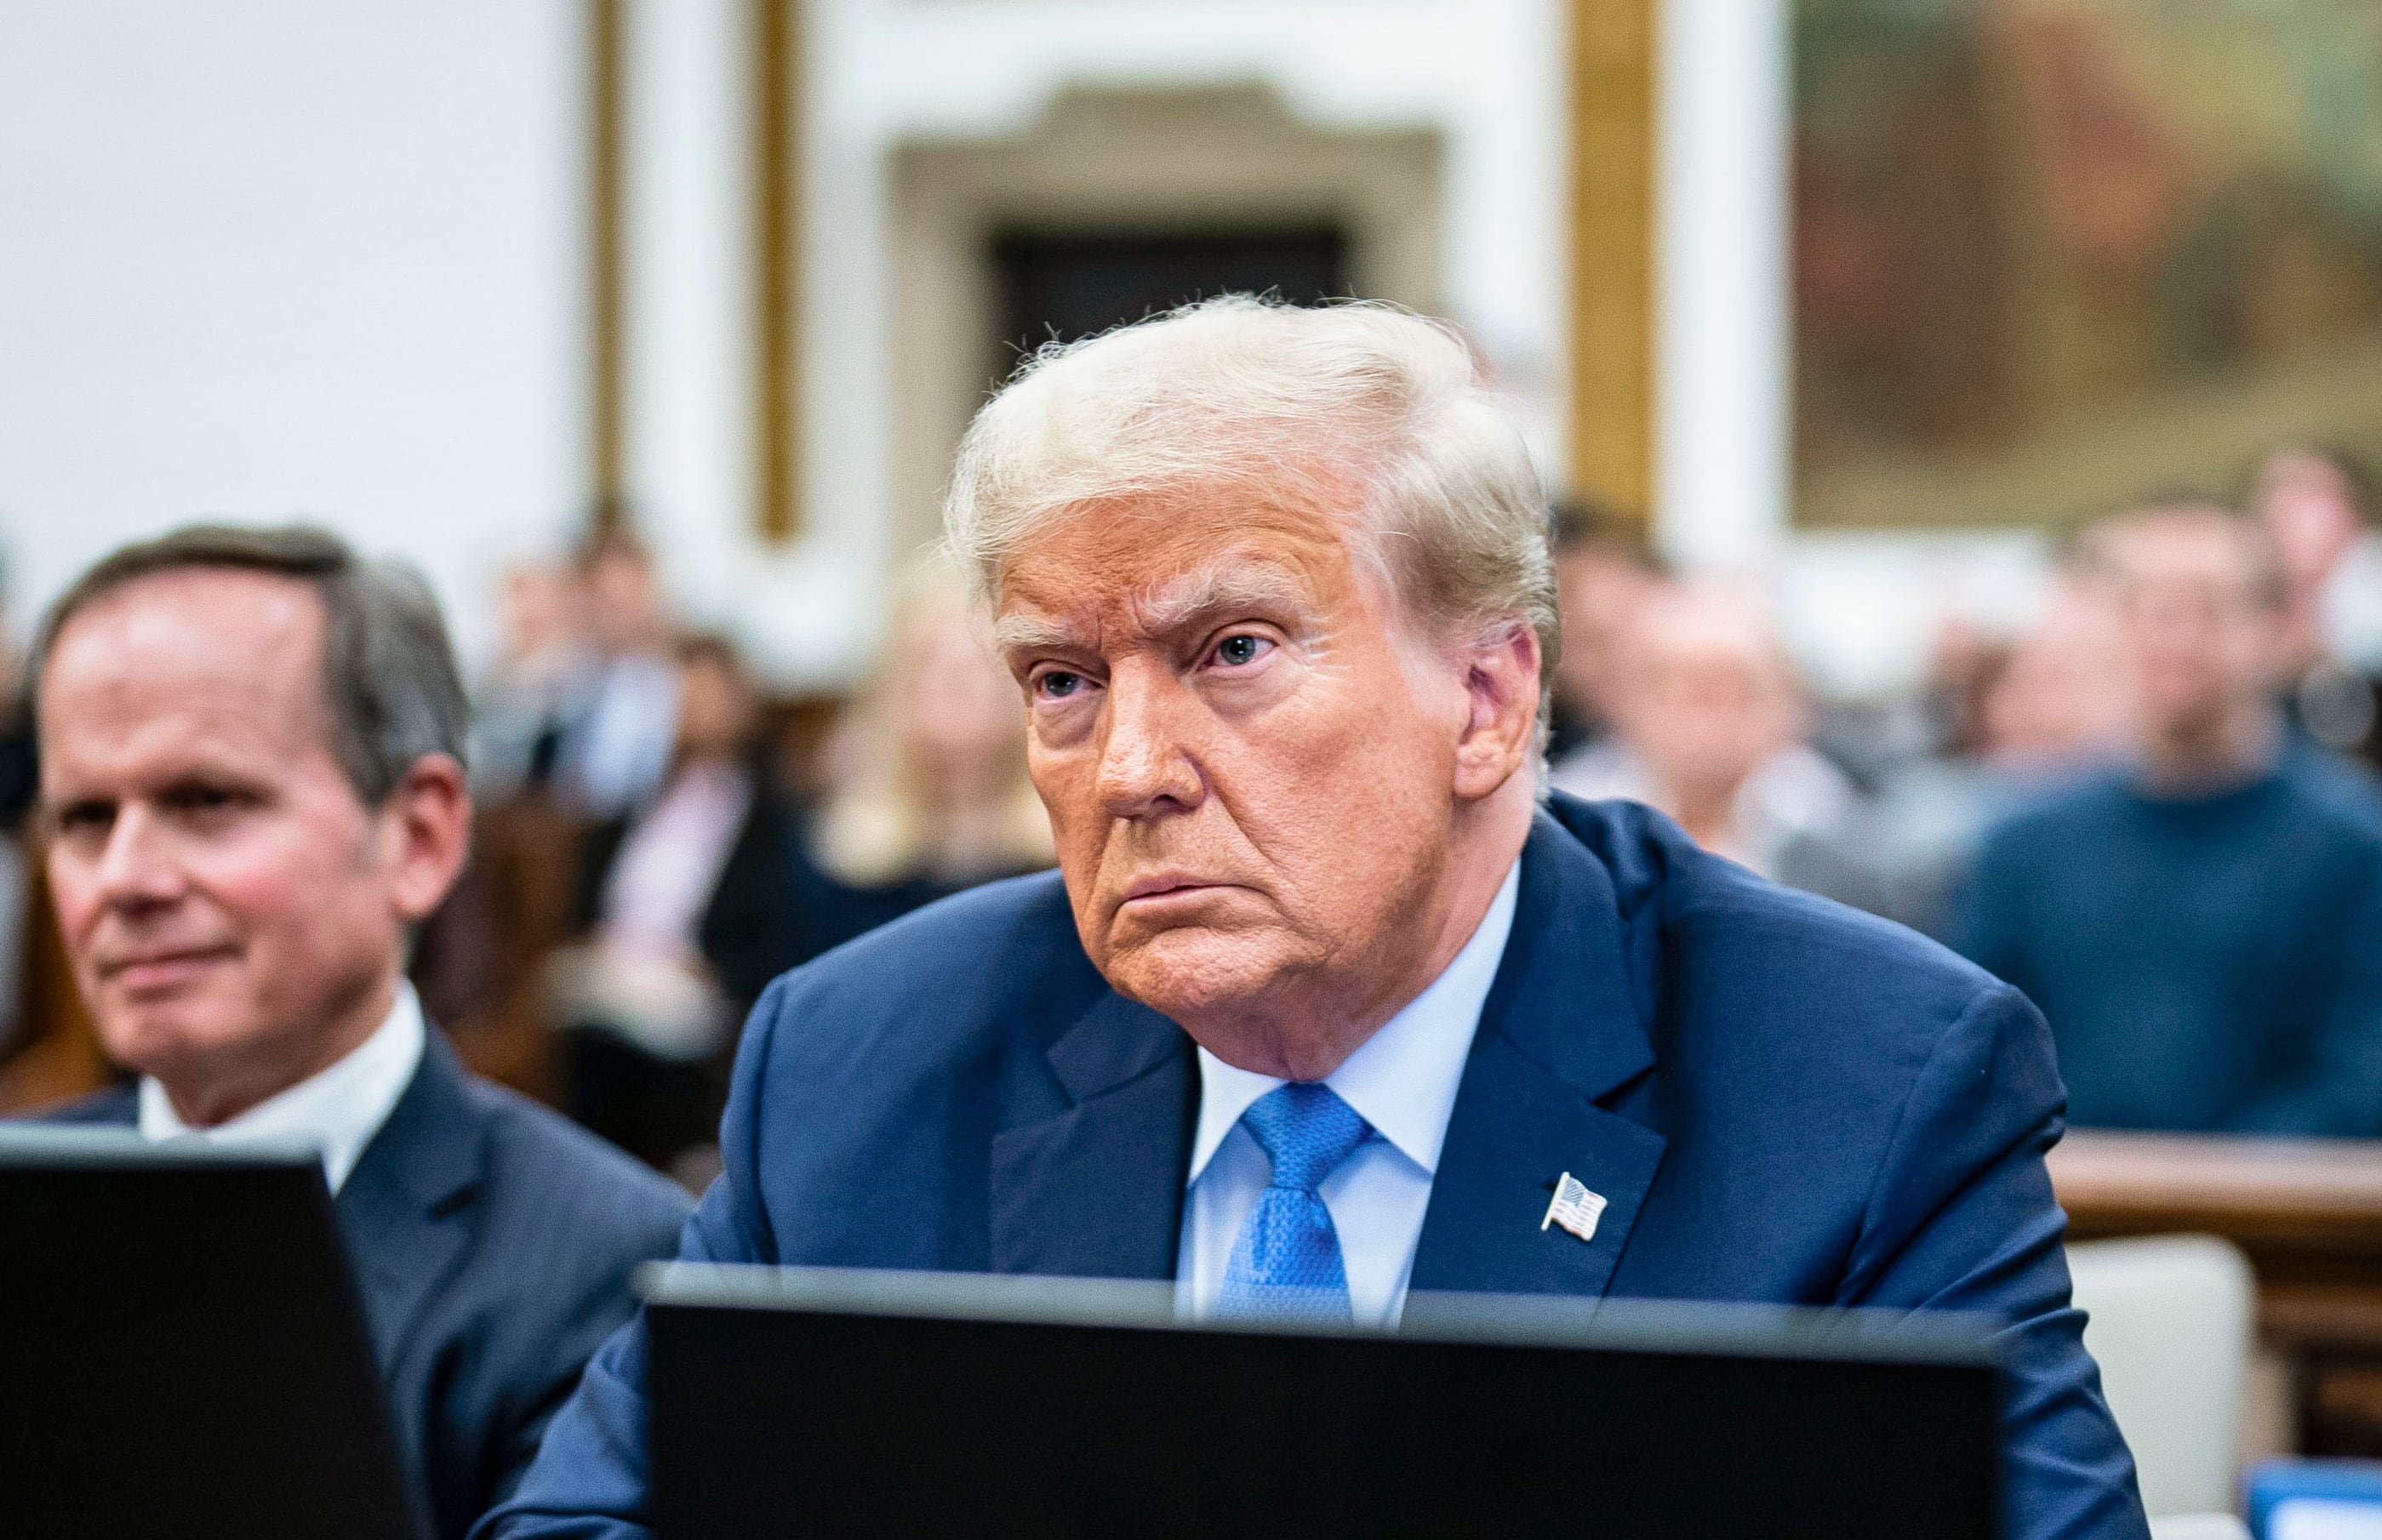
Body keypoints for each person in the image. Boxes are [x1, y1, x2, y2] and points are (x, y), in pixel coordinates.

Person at [478, 298, 2146, 1540]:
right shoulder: (863, 1062)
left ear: (1486, 695)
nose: (1128, 766)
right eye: (1061, 678)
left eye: (1233, 653)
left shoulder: (1853, 1083)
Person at [24, 526, 692, 1540]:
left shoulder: (607, 1265)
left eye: (207, 800)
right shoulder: (25, 1202)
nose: (123, 878)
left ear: (418, 837)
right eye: (82, 817)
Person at [1958, 504, 2382, 1134]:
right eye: (2144, 606)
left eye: (2207, 606)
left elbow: (2355, 1082)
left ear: (2272, 628)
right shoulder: (2019, 847)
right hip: (2056, 1216)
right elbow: (1971, 1059)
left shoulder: (2354, 848)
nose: (2173, 636)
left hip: (2282, 1221)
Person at [551, 633, 801, 1172]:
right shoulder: (638, 802)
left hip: (699, 993)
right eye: (687, 694)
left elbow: (768, 931)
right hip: (614, 973)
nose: (697, 710)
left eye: (712, 695)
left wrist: (705, 972)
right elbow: (590, 902)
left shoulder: (769, 822)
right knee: (583, 1025)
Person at [791, 565, 1054, 961]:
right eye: (936, 666)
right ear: (895, 689)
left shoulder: (1060, 869)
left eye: (981, 666)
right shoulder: (837, 864)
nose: (961, 686)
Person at [1552, 579, 1853, 880]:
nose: (1711, 720)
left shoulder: (1821, 814)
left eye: (1738, 692)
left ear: (1784, 705)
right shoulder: (1572, 818)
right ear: (1627, 700)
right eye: (1685, 693)